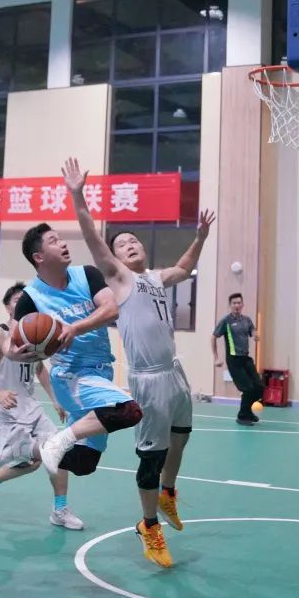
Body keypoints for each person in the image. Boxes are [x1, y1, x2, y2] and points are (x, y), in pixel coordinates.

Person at [62, 157, 214, 536]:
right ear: (115, 258)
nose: (129, 245)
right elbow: (93, 239)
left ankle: (168, 493)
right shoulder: (119, 279)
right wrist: (78, 195)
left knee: (181, 438)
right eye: (122, 244)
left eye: (133, 240)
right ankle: (148, 525)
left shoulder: (155, 278)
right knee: (152, 455)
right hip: (148, 380)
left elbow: (184, 268)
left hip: (174, 372)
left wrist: (199, 237)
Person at [9, 223, 169, 568]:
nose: (63, 244)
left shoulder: (87, 275)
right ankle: (55, 441)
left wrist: (75, 327)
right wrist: (21, 353)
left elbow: (111, 310)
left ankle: (27, 449)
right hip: (71, 377)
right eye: (54, 241)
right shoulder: (31, 298)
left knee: (84, 464)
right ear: (39, 256)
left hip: (100, 371)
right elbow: (12, 347)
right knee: (129, 411)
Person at [0, 282, 81, 529]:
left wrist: (55, 399)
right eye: (17, 300)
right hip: (6, 410)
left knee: (58, 453)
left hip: (31, 407)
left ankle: (60, 510)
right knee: (37, 458)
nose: (22, 304)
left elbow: (39, 369)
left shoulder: (34, 333)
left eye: (26, 300)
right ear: (8, 307)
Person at [212, 293, 264, 426]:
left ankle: (248, 412)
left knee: (259, 387)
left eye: (239, 303)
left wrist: (255, 335)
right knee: (248, 388)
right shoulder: (226, 321)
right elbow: (213, 337)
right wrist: (216, 358)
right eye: (234, 303)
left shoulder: (246, 320)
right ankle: (242, 417)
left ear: (242, 304)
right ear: (230, 305)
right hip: (234, 360)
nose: (237, 305)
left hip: (246, 358)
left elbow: (252, 330)